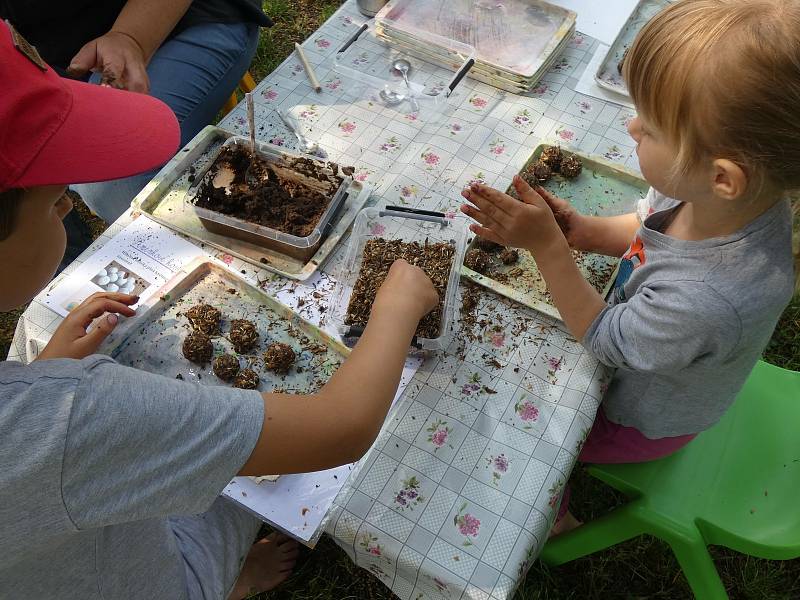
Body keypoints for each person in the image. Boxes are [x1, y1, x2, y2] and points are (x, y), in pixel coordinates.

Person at [0, 20, 439, 600]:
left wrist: (44, 368)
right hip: (152, 578)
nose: (66, 209)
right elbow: (341, 428)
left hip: (66, 558)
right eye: (55, 201)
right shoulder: (65, 420)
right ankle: (221, 579)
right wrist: (397, 307)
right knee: (245, 490)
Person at [460, 0, 799, 534]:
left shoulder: (710, 298)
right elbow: (649, 224)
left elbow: (605, 338)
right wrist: (585, 233)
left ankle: (554, 514)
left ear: (723, 176)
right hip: (667, 355)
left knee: (530, 429)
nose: (631, 124)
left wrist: (549, 248)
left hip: (641, 421)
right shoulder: (731, 202)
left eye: (654, 129)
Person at [0, 0, 270, 223]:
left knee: (113, 180)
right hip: (61, 53)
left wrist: (132, 37)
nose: (62, 207)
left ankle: (201, 252)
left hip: (186, 15)